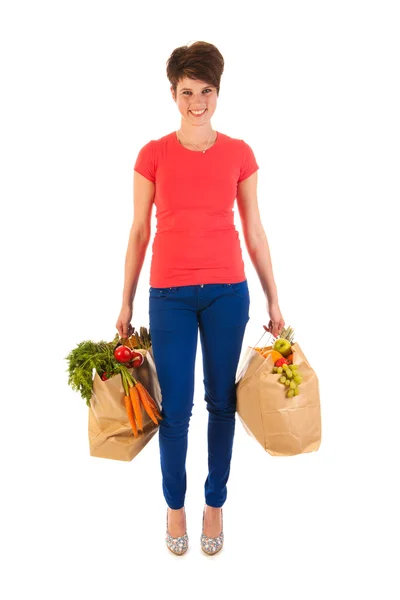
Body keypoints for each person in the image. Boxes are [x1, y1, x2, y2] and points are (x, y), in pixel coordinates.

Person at [116, 41, 285, 556]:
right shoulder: (152, 154)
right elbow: (139, 231)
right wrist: (124, 303)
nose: (197, 101)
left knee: (221, 402)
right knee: (177, 411)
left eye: (206, 91)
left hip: (228, 295)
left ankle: (214, 503)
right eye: (187, 91)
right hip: (168, 295)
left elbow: (254, 231)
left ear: (218, 92)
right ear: (173, 93)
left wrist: (274, 299)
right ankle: (174, 505)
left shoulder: (239, 153)